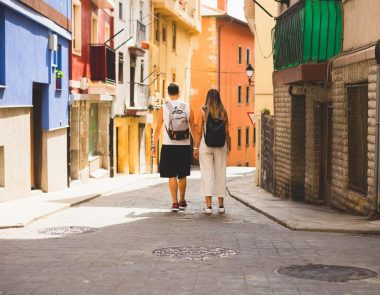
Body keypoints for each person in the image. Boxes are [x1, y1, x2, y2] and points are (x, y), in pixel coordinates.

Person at [152, 83, 196, 212]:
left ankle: (175, 203)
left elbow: (158, 129)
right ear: (179, 92)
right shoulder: (187, 106)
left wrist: (154, 146)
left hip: (168, 145)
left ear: (168, 93)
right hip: (184, 145)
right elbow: (193, 127)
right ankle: (182, 200)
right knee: (182, 175)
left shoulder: (164, 107)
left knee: (172, 175)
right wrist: (196, 147)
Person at [193, 89, 230, 214]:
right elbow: (227, 132)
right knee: (220, 173)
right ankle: (221, 205)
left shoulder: (203, 111)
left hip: (205, 146)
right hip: (220, 146)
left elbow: (198, 132)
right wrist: (228, 146)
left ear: (207, 98)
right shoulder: (223, 112)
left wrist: (195, 147)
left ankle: (208, 206)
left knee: (206, 174)